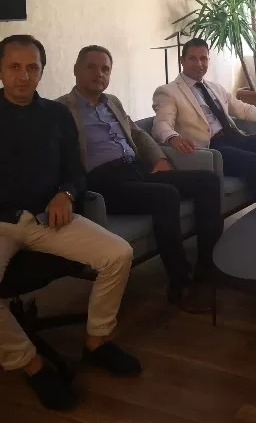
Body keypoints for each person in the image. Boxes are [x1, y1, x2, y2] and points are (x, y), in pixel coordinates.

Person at [0, 35, 140, 412]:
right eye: (14, 67)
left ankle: (97, 342)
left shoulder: (57, 116)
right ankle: (31, 364)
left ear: (42, 71)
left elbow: (75, 172)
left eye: (32, 67)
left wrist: (67, 194)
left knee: (119, 254)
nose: (23, 76)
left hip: (47, 218)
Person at [56, 45, 223, 313]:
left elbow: (138, 134)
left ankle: (208, 264)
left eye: (105, 69)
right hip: (103, 181)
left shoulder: (112, 102)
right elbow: (58, 156)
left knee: (208, 180)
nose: (99, 74)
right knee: (166, 196)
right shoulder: (61, 109)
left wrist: (160, 159)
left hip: (135, 170)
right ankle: (180, 284)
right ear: (76, 70)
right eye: (91, 67)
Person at [151, 38, 256, 206]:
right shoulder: (168, 91)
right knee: (254, 162)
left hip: (236, 138)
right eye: (192, 58)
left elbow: (243, 109)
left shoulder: (215, 88)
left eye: (203, 58)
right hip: (211, 148)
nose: (199, 64)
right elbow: (161, 124)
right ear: (182, 60)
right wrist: (173, 137)